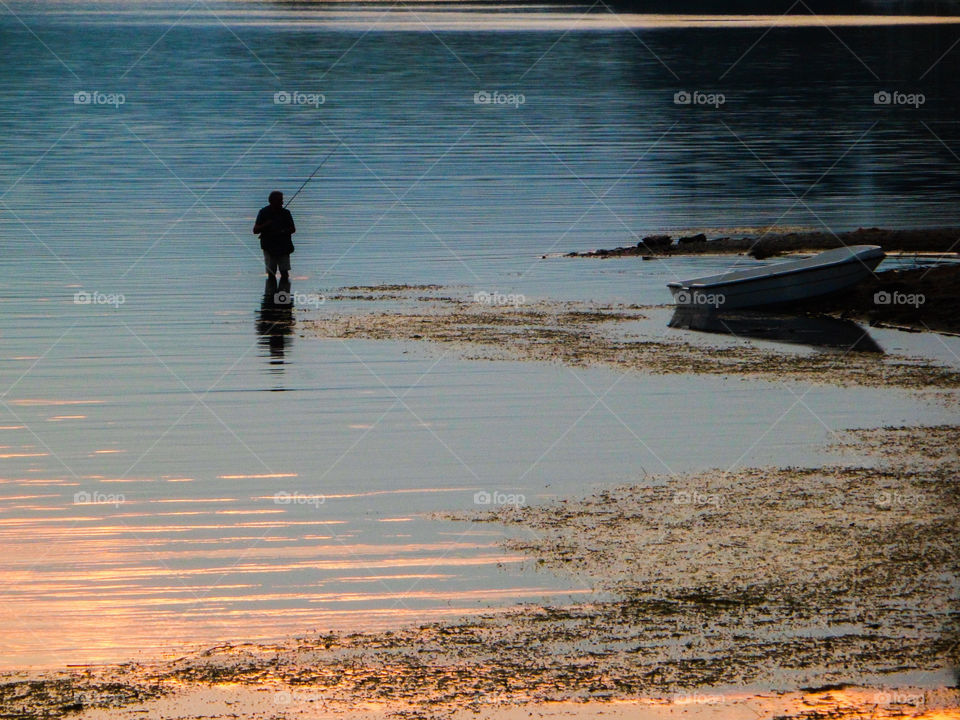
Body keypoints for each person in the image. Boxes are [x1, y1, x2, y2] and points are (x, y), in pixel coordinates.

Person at [253, 190, 296, 287]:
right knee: (271, 273)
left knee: (284, 272)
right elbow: (255, 230)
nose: (282, 202)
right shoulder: (263, 212)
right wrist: (267, 224)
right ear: (271, 201)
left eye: (282, 200)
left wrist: (281, 232)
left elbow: (293, 229)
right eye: (279, 200)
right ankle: (270, 298)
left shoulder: (286, 213)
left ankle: (284, 295)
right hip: (269, 247)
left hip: (283, 247)